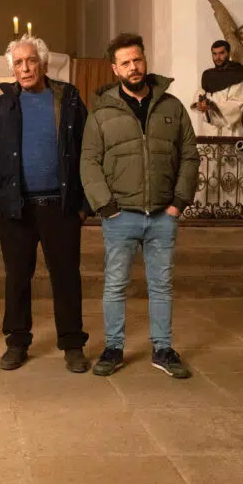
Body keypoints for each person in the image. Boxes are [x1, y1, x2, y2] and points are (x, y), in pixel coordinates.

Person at [79, 32, 198, 380]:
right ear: (115, 69)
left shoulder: (172, 107)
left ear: (145, 61)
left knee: (161, 285)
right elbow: (89, 162)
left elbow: (189, 156)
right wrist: (106, 207)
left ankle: (163, 348)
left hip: (163, 215)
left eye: (138, 60)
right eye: (126, 63)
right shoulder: (101, 113)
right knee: (115, 284)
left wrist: (178, 203)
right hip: (121, 217)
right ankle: (114, 348)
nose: (134, 67)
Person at [0, 34, 91, 373]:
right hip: (15, 208)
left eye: (30, 61)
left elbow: (88, 151)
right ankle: (17, 342)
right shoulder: (1, 104)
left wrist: (84, 205)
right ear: (12, 69)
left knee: (67, 277)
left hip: (61, 205)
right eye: (18, 64)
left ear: (42, 63)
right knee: (17, 278)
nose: (25, 68)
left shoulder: (67, 99)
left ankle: (72, 344)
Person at [190, 39, 243, 137]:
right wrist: (199, 104)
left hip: (230, 131)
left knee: (229, 152)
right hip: (210, 130)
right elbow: (201, 93)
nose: (218, 57)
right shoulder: (208, 75)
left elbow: (237, 105)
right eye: (214, 54)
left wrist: (213, 105)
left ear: (228, 54)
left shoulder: (237, 75)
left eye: (221, 53)